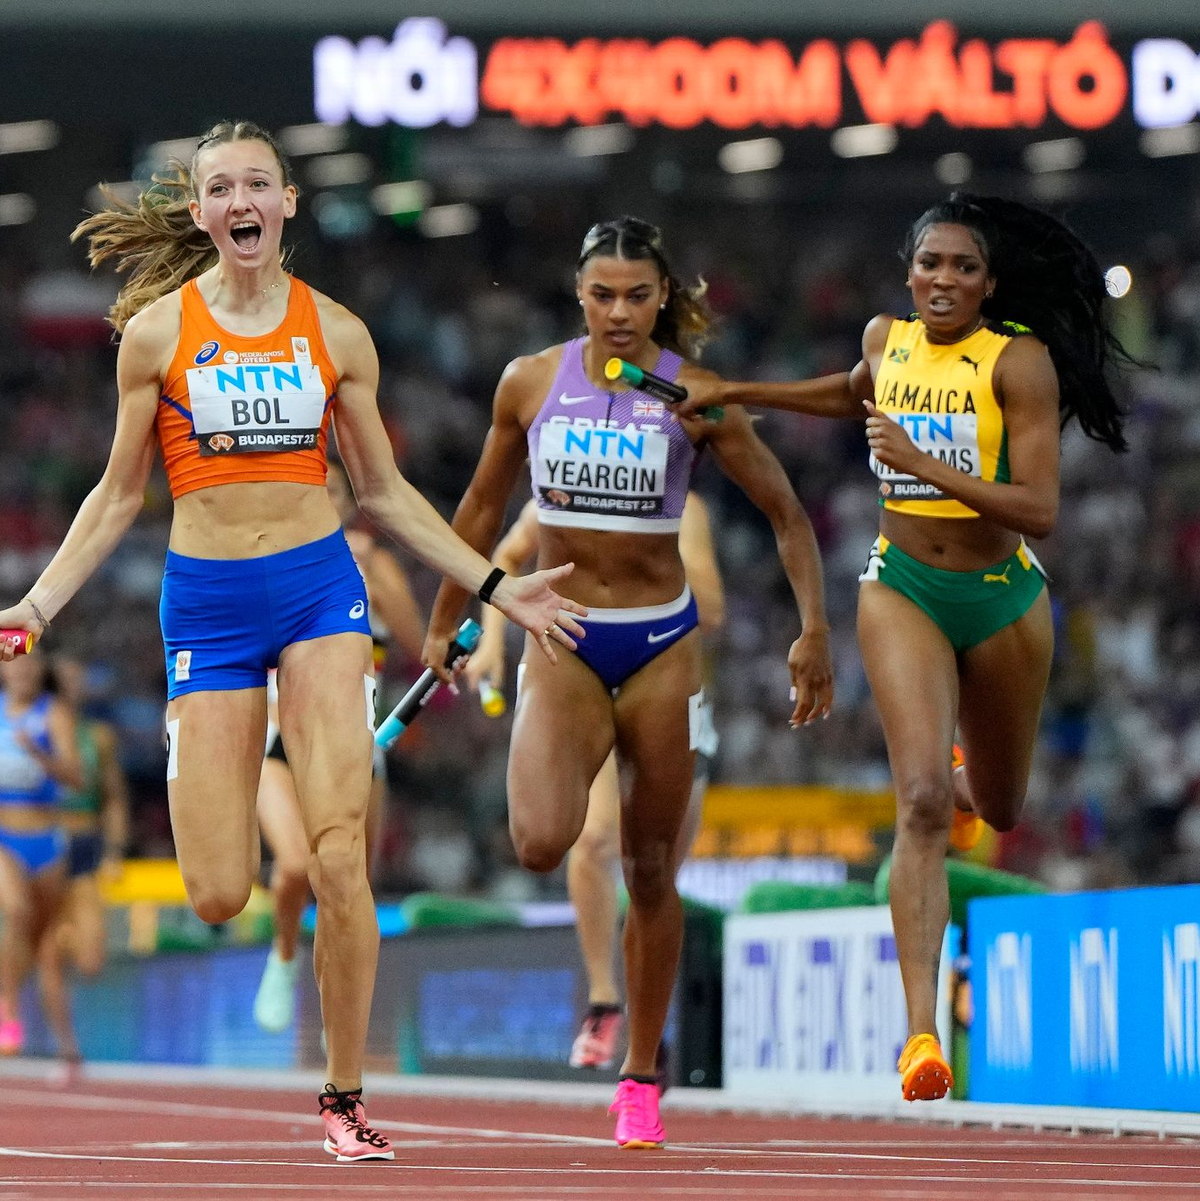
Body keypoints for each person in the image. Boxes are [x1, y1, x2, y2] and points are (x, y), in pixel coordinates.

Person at [0, 119, 583, 1162]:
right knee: (222, 890)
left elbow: (387, 495)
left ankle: (344, 1095)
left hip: (320, 594)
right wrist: (35, 606)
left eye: (257, 184)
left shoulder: (338, 333)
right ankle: (201, 742)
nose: (240, 202)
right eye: (220, 188)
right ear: (200, 214)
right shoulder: (157, 338)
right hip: (210, 608)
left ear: (287, 204)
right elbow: (118, 493)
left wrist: (495, 584)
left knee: (337, 856)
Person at [678, 192, 1131, 1102]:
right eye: (931, 264)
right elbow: (847, 399)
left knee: (995, 807)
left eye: (964, 268)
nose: (944, 280)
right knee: (918, 803)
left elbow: (1040, 507)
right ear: (909, 271)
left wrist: (926, 464)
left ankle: (966, 776)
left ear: (990, 282)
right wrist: (735, 393)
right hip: (903, 586)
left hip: (1003, 596)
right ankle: (920, 1034)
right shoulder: (888, 340)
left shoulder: (1020, 363)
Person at [424, 215, 833, 1149]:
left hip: (659, 647)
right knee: (539, 840)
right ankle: (615, 1019)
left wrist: (813, 630)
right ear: (579, 292)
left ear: (663, 298)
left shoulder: (691, 392)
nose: (618, 312)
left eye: (637, 296)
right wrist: (450, 616)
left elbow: (786, 511)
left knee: (652, 870)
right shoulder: (530, 380)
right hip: (563, 637)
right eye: (602, 294)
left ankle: (641, 1076)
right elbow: (482, 507)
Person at [467, 492, 725, 1077]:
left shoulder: (681, 505)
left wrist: (641, 568)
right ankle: (605, 1001)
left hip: (660, 688)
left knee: (653, 874)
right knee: (593, 839)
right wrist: (490, 642)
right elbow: (504, 555)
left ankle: (645, 1027)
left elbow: (709, 608)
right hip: (581, 685)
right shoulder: (566, 493)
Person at [253, 458, 425, 1035]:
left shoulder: (372, 563)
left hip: (354, 739)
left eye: (332, 490)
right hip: (279, 735)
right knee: (296, 866)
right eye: (311, 488)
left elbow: (423, 644)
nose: (321, 498)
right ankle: (282, 957)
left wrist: (457, 654)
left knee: (347, 885)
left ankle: (337, 1009)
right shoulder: (264, 556)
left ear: (351, 503)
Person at [36, 652, 130, 1067]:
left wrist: (114, 850)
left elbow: (114, 798)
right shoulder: (32, 728)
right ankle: (66, 1044)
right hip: (44, 841)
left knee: (91, 958)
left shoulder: (99, 736)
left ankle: (53, 936)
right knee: (50, 954)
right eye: (66, 680)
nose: (75, 687)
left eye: (80, 680)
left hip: (86, 843)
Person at [0, 645, 82, 1056]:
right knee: (16, 912)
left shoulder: (54, 714)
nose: (22, 671)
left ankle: (64, 1040)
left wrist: (38, 753)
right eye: (14, 664)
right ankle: (8, 1010)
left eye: (30, 664)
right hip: (4, 837)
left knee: (43, 943)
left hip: (46, 839)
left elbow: (76, 779)